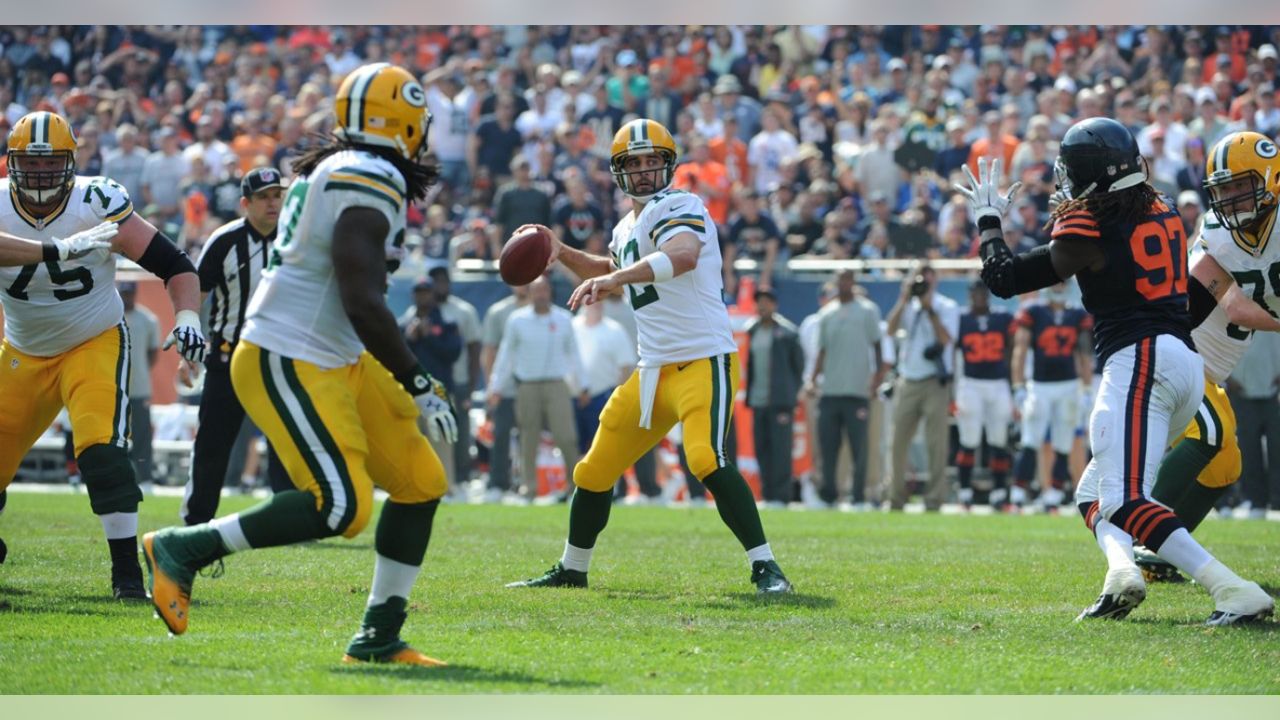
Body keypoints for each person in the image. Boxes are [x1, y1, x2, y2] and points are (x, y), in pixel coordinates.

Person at [141, 63, 460, 666]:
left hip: (333, 354)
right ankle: (184, 547)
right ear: (402, 124)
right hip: (289, 350)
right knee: (341, 506)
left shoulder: (343, 168)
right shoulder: (370, 174)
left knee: (421, 483)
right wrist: (417, 381)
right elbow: (361, 298)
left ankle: (378, 635)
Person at [963, 117, 1273, 625]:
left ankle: (1233, 589)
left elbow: (1005, 278)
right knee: (1093, 496)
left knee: (1125, 500)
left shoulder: (1088, 226)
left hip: (1140, 362)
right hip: (1183, 364)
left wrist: (989, 222)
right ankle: (1121, 573)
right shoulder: (1164, 208)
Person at [506, 118, 792, 594]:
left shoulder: (682, 204)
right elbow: (613, 267)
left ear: (668, 165)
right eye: (632, 163)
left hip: (703, 360)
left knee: (706, 458)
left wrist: (614, 280)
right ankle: (573, 568)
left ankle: (767, 566)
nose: (642, 171)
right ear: (618, 172)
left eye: (650, 161)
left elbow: (680, 255)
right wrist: (559, 252)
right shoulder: (626, 226)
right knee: (593, 470)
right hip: (653, 368)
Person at [0, 110, 207, 600]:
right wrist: (55, 250)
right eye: (33, 163)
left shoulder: (97, 201)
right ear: (12, 163)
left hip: (92, 339)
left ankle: (128, 579)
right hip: (23, 349)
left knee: (102, 452)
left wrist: (188, 318)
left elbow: (175, 265)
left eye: (54, 164)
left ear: (73, 163)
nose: (43, 174)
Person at [1136, 131, 1280, 581]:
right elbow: (1236, 307)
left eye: (1240, 186)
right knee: (1212, 435)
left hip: (1214, 370)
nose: (1231, 200)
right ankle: (1136, 530)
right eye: (1223, 190)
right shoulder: (1216, 233)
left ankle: (1161, 554)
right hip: (1182, 353)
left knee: (1225, 468)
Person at [181, 166, 289, 526]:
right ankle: (196, 522)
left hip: (279, 357)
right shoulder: (224, 240)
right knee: (213, 444)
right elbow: (195, 293)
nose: (273, 203)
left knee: (287, 442)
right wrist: (189, 349)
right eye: (263, 197)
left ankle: (290, 519)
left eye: (277, 195)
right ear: (246, 203)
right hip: (228, 356)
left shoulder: (295, 239)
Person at [489, 275, 585, 503]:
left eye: (544, 290)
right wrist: (496, 387)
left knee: (566, 436)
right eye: (536, 290)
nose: (540, 294)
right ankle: (528, 489)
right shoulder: (517, 320)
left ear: (549, 292)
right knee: (528, 438)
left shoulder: (563, 319)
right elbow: (506, 355)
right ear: (530, 293)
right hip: (527, 385)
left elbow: (574, 355)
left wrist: (582, 385)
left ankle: (575, 489)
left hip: (556, 384)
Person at [804, 270, 884, 508]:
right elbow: (821, 351)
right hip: (830, 391)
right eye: (840, 279)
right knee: (828, 446)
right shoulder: (826, 313)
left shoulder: (868, 310)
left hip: (857, 390)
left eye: (848, 279)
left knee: (859, 447)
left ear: (854, 282)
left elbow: (877, 344)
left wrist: (878, 377)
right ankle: (828, 494)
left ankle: (858, 497)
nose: (844, 283)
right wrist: (813, 379)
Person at [1010, 283, 1093, 510]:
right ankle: (1018, 491)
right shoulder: (1033, 312)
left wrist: (1086, 388)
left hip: (1068, 385)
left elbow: (1084, 353)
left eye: (1062, 282)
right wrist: (1018, 385)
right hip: (1040, 385)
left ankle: (1054, 495)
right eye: (1054, 282)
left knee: (1064, 443)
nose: (1058, 286)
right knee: (1030, 439)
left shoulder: (1077, 314)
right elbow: (1020, 349)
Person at [885, 263, 959, 511]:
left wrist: (929, 309)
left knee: (936, 443)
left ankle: (934, 499)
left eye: (926, 280)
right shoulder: (908, 304)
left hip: (934, 382)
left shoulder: (945, 305)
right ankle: (895, 497)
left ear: (934, 281)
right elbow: (890, 329)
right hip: (907, 380)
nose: (922, 284)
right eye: (919, 280)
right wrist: (903, 298)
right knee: (897, 441)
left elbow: (946, 339)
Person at [953, 280, 1015, 508]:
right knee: (968, 439)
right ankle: (965, 491)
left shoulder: (1002, 318)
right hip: (970, 383)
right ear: (970, 295)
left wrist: (1012, 384)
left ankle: (999, 492)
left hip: (998, 383)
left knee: (998, 440)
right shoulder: (961, 319)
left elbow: (1011, 349)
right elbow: (953, 353)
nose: (979, 297)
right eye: (975, 293)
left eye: (982, 293)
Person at [571, 299, 641, 497]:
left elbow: (626, 365)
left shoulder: (614, 330)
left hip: (603, 394)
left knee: (604, 445)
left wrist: (620, 394)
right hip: (574, 395)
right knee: (575, 443)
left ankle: (613, 487)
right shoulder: (572, 327)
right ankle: (579, 486)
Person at [401, 276, 463, 492]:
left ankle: (445, 486)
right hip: (410, 391)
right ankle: (413, 485)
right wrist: (410, 339)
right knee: (411, 440)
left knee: (442, 439)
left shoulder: (446, 324)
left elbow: (452, 353)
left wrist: (429, 337)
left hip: (438, 390)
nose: (422, 297)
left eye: (426, 292)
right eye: (418, 293)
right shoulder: (403, 325)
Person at [744, 286, 804, 507]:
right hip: (759, 400)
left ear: (775, 305)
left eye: (767, 301)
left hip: (780, 401)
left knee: (781, 449)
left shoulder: (787, 333)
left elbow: (798, 367)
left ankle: (782, 495)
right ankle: (768, 494)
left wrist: (790, 395)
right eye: (759, 301)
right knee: (762, 448)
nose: (762, 305)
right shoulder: (753, 330)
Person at [428, 266, 482, 488]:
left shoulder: (463, 311)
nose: (441, 285)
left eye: (444, 280)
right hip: (430, 383)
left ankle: (461, 477)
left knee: (459, 432)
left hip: (458, 381)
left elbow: (474, 350)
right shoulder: (421, 312)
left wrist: (470, 386)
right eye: (436, 281)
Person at [479, 283, 530, 501]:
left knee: (531, 437)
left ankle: (528, 483)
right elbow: (489, 351)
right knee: (500, 435)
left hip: (531, 383)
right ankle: (497, 483)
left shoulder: (541, 309)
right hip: (505, 386)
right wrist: (493, 385)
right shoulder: (498, 312)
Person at [118, 281, 160, 486]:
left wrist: (139, 370)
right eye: (123, 293)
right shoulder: (111, 317)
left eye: (129, 293)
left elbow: (153, 353)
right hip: (114, 387)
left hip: (139, 387)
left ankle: (145, 478)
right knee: (113, 433)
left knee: (142, 433)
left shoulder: (148, 319)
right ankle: (116, 477)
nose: (126, 297)